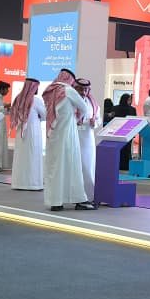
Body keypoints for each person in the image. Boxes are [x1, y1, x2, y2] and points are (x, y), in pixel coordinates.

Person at [42, 69, 93, 212]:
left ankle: (55, 202)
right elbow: (84, 108)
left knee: (55, 167)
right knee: (72, 166)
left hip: (53, 134)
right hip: (67, 133)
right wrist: (76, 118)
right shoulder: (67, 90)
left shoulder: (50, 90)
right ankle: (78, 199)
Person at [10, 78, 45, 191]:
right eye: (36, 87)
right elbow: (45, 115)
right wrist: (39, 116)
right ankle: (32, 184)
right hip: (33, 133)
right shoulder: (35, 100)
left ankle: (18, 183)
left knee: (21, 157)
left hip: (20, 133)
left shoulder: (18, 98)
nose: (37, 90)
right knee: (32, 156)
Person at [76, 78, 100, 205]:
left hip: (88, 139)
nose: (83, 92)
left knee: (88, 167)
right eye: (80, 89)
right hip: (75, 137)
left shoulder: (92, 103)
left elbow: (98, 119)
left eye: (85, 89)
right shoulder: (71, 101)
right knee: (77, 168)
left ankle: (89, 196)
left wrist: (94, 122)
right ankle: (76, 197)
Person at [114, 93, 137, 171]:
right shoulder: (132, 109)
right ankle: (126, 166)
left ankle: (118, 164)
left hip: (117, 132)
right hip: (128, 132)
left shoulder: (115, 108)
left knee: (119, 149)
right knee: (127, 149)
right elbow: (134, 121)